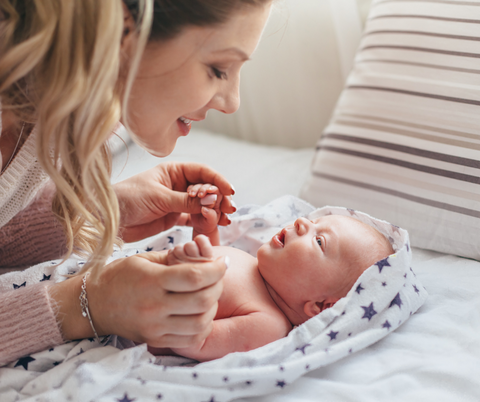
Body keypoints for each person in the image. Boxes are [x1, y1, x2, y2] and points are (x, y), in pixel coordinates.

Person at [0, 0, 273, 366]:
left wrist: (100, 210)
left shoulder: (42, 110)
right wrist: (88, 305)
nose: (232, 102)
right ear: (123, 29)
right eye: (218, 69)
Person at [147, 186, 395, 362]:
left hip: (135, 314)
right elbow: (213, 260)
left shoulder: (269, 325)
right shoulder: (253, 266)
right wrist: (204, 231)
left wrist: (188, 289)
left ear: (320, 305)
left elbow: (197, 342)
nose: (302, 223)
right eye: (315, 222)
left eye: (319, 241)